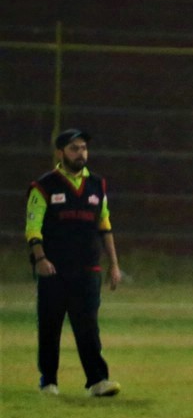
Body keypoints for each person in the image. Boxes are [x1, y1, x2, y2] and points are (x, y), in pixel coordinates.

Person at [25, 128, 123, 397]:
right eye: (74, 148)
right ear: (60, 153)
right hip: (54, 270)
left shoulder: (97, 185)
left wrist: (114, 264)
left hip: (88, 269)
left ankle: (98, 381)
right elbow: (32, 228)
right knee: (50, 325)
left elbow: (105, 225)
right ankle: (48, 381)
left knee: (88, 326)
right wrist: (40, 258)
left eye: (83, 148)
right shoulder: (44, 186)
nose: (81, 153)